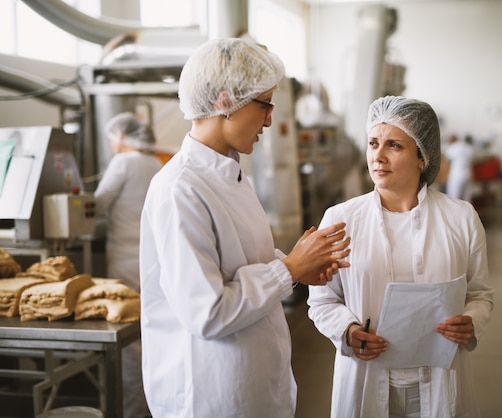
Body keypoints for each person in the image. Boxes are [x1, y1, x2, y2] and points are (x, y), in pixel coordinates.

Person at [139, 38, 351, 418]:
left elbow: (240, 262)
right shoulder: (180, 189)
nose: (270, 119)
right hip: (210, 396)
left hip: (250, 387)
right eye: (265, 103)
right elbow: (208, 312)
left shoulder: (230, 175)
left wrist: (298, 266)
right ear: (225, 101)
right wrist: (288, 270)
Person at [307, 96, 494, 418]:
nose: (377, 156)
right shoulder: (340, 219)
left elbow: (479, 294)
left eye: (394, 145)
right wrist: (348, 331)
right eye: (373, 143)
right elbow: (322, 301)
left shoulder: (461, 218)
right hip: (366, 374)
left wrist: (472, 321)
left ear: (423, 156)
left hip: (440, 373)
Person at [94, 111, 163, 418]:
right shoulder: (154, 163)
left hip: (124, 263)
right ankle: (153, 405)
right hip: (151, 262)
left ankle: (133, 411)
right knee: (151, 333)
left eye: (112, 138)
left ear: (120, 136)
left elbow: (95, 205)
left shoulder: (123, 163)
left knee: (128, 341)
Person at [445, 133, 476, 201]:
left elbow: (448, 160)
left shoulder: (452, 148)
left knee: (454, 198)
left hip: (457, 175)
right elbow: (472, 161)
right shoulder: (468, 147)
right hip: (468, 174)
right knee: (467, 199)